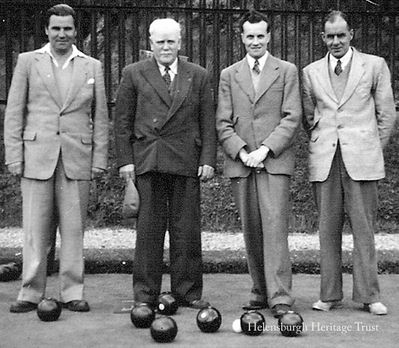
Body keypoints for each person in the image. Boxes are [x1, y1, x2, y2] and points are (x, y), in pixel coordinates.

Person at [4, 4, 109, 313]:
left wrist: (99, 158)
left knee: (74, 229)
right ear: (46, 30)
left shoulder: (92, 66)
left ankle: (73, 291)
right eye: (56, 28)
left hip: (76, 158)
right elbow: (14, 113)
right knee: (35, 229)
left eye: (67, 28)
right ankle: (30, 292)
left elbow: (101, 117)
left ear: (76, 31)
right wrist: (14, 156)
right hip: (36, 156)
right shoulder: (27, 62)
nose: (62, 33)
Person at [114, 18, 216, 309]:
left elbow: (207, 122)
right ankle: (145, 295)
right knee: (149, 232)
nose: (166, 47)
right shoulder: (133, 73)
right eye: (160, 42)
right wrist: (125, 162)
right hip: (149, 160)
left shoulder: (198, 75)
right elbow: (122, 123)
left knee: (187, 231)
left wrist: (208, 158)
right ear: (151, 44)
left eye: (171, 41)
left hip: (186, 160)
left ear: (181, 43)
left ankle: (188, 293)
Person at [302, 10, 397, 315]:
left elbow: (387, 115)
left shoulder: (375, 65)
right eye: (330, 36)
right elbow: (308, 117)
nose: (336, 41)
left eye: (341, 35)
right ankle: (329, 295)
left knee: (364, 230)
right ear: (322, 38)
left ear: (351, 34)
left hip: (362, 159)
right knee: (327, 230)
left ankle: (369, 295)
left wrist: (370, 146)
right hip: (326, 159)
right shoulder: (311, 72)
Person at [216, 10, 301, 318]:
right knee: (251, 229)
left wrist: (265, 150)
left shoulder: (287, 70)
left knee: (275, 228)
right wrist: (242, 152)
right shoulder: (229, 74)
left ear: (269, 37)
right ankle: (259, 291)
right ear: (242, 38)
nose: (254, 41)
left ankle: (280, 296)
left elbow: (292, 118)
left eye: (259, 35)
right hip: (242, 163)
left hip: (273, 162)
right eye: (249, 36)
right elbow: (223, 122)